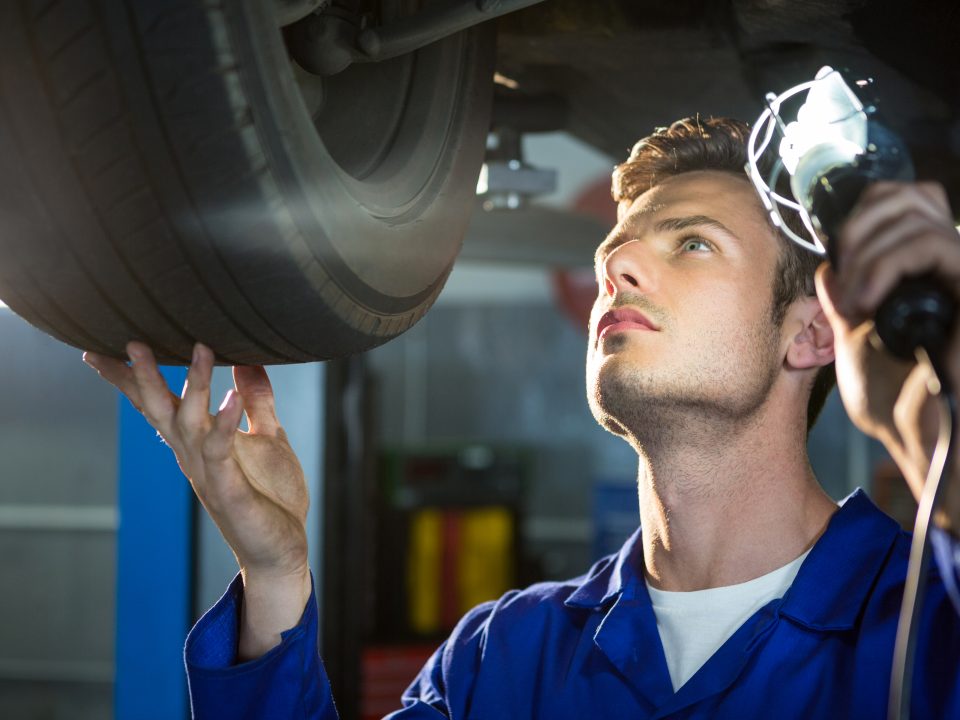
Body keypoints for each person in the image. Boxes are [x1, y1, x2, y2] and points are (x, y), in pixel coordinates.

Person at [84, 117, 960, 718]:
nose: (617, 272)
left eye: (691, 243)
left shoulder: (927, 628)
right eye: (614, 255)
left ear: (814, 330)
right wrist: (274, 575)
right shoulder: (507, 655)